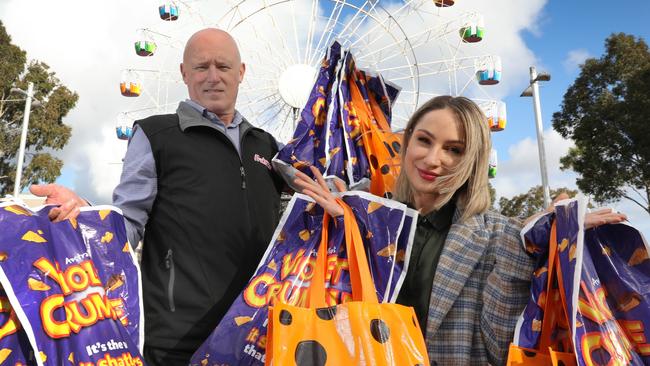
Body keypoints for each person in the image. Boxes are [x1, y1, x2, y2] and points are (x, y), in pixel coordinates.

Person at [294, 95, 626, 365]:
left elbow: (500, 348)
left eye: (454, 150)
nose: (432, 159)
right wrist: (338, 227)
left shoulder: (499, 237)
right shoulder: (363, 220)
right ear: (407, 142)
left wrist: (544, 235)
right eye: (424, 140)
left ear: (474, 160)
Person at [30, 28, 284, 365]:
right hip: (177, 339)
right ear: (183, 73)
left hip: (258, 334)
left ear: (241, 72)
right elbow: (128, 222)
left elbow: (305, 217)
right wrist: (85, 214)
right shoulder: (156, 134)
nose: (212, 77)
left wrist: (341, 194)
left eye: (223, 67)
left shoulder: (268, 146)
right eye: (200, 67)